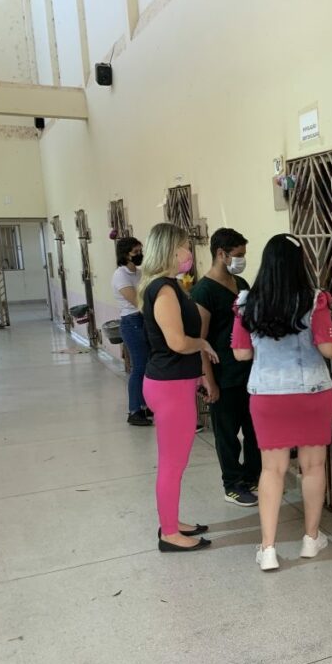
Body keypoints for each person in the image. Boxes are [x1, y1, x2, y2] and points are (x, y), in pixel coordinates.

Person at [231, 234, 332, 571]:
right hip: (312, 393)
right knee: (313, 466)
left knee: (272, 470)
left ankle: (268, 549)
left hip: (268, 396)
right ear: (300, 263)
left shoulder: (246, 304)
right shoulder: (314, 300)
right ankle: (311, 539)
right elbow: (327, 347)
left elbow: (241, 354)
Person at [137, 222, 220, 552]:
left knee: (176, 462)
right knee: (172, 464)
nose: (189, 251)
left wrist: (198, 373)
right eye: (185, 245)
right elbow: (176, 342)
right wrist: (203, 344)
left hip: (175, 382)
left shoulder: (170, 286)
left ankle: (172, 521)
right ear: (171, 250)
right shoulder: (164, 290)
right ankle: (170, 534)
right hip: (169, 386)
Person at [191, 228, 260, 507]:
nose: (242, 259)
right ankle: (232, 484)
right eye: (238, 254)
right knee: (227, 434)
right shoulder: (203, 291)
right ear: (221, 254)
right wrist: (209, 380)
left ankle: (252, 477)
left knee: (254, 430)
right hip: (223, 374)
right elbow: (200, 341)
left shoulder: (240, 283)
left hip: (250, 371)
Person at [111, 236, 152, 426]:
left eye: (140, 251)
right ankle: (134, 410)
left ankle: (146, 404)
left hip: (143, 320)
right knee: (140, 366)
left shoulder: (139, 272)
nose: (139, 255)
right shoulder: (120, 275)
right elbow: (137, 301)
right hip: (132, 321)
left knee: (148, 365)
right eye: (135, 252)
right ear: (125, 254)